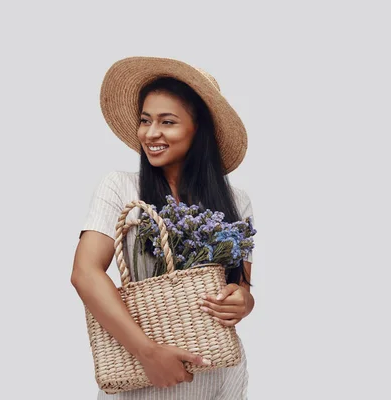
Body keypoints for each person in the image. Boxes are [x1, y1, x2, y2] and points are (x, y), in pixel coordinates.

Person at [71, 56, 256, 399]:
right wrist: (147, 352)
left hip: (221, 376)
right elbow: (85, 273)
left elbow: (241, 286)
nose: (150, 133)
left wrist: (242, 302)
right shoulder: (120, 188)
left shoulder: (236, 200)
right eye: (145, 120)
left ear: (198, 129)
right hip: (146, 377)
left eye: (167, 122)